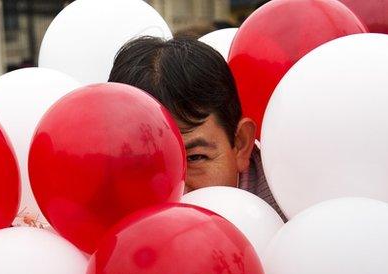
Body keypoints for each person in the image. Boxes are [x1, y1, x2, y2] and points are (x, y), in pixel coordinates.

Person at [108, 36, 283, 217]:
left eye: (194, 158)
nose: (179, 193)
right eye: (145, 167)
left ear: (240, 144)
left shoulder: (292, 210)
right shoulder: (93, 209)